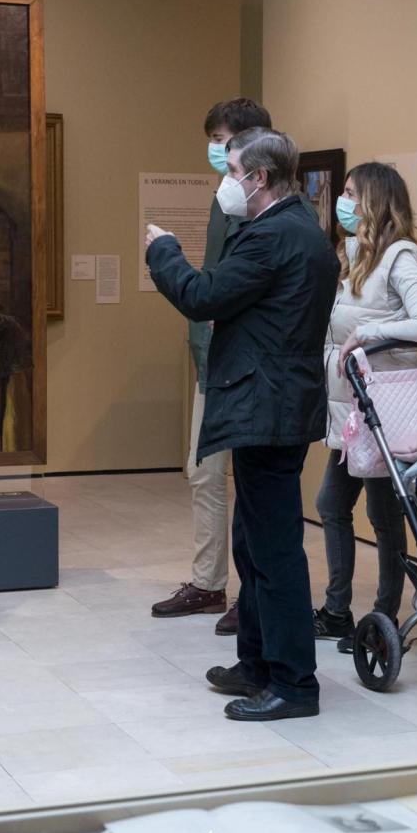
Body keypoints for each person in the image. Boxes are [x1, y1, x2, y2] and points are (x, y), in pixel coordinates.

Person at [146, 127, 338, 722]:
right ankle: (256, 663)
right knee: (253, 544)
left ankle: (294, 684)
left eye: (232, 172)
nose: (226, 182)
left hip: (267, 407)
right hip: (275, 404)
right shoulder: (299, 227)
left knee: (273, 552)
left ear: (259, 177)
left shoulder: (273, 235)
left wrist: (164, 251)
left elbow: (202, 296)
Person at [149, 98, 272, 634]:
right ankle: (208, 582)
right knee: (204, 474)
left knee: (255, 485)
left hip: (248, 366)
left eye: (221, 140)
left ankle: (254, 594)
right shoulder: (225, 197)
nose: (214, 149)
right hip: (213, 358)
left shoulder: (269, 211)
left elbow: (227, 288)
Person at [310, 163, 417, 651]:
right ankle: (337, 611)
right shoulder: (352, 255)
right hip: (353, 410)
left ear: (374, 201)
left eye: (350, 193)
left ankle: (384, 617)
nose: (342, 201)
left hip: (385, 411)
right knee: (331, 504)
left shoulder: (401, 256)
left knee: (383, 514)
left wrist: (369, 333)